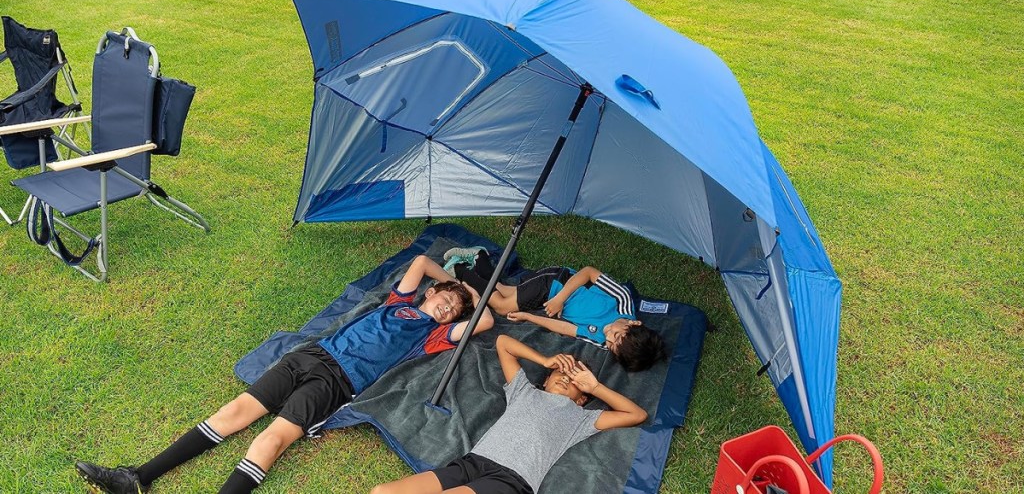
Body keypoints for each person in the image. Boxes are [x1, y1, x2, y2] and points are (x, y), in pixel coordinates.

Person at [75, 255, 491, 494]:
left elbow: (485, 319)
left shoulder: (433, 336)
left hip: (338, 382)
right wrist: (453, 280)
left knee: (270, 438)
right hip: (311, 355)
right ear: (430, 292)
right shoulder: (399, 299)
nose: (448, 309)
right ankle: (136, 478)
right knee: (233, 411)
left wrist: (470, 294)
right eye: (446, 301)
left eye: (455, 311)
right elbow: (420, 261)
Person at [371, 334, 648, 494]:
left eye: (575, 379)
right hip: (473, 463)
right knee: (382, 492)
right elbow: (503, 342)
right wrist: (544, 360)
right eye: (561, 372)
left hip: (512, 481)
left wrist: (596, 386)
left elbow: (636, 414)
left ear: (582, 399)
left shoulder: (583, 418)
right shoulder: (523, 391)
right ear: (546, 379)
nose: (566, 377)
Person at [446, 248, 667, 372]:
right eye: (617, 334)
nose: (608, 336)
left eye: (611, 345)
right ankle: (459, 270)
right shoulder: (622, 300)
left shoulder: (602, 340)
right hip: (556, 282)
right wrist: (560, 299)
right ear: (634, 323)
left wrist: (529, 317)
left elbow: (565, 328)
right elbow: (588, 272)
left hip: (548, 297)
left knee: (502, 290)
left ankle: (479, 257)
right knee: (501, 306)